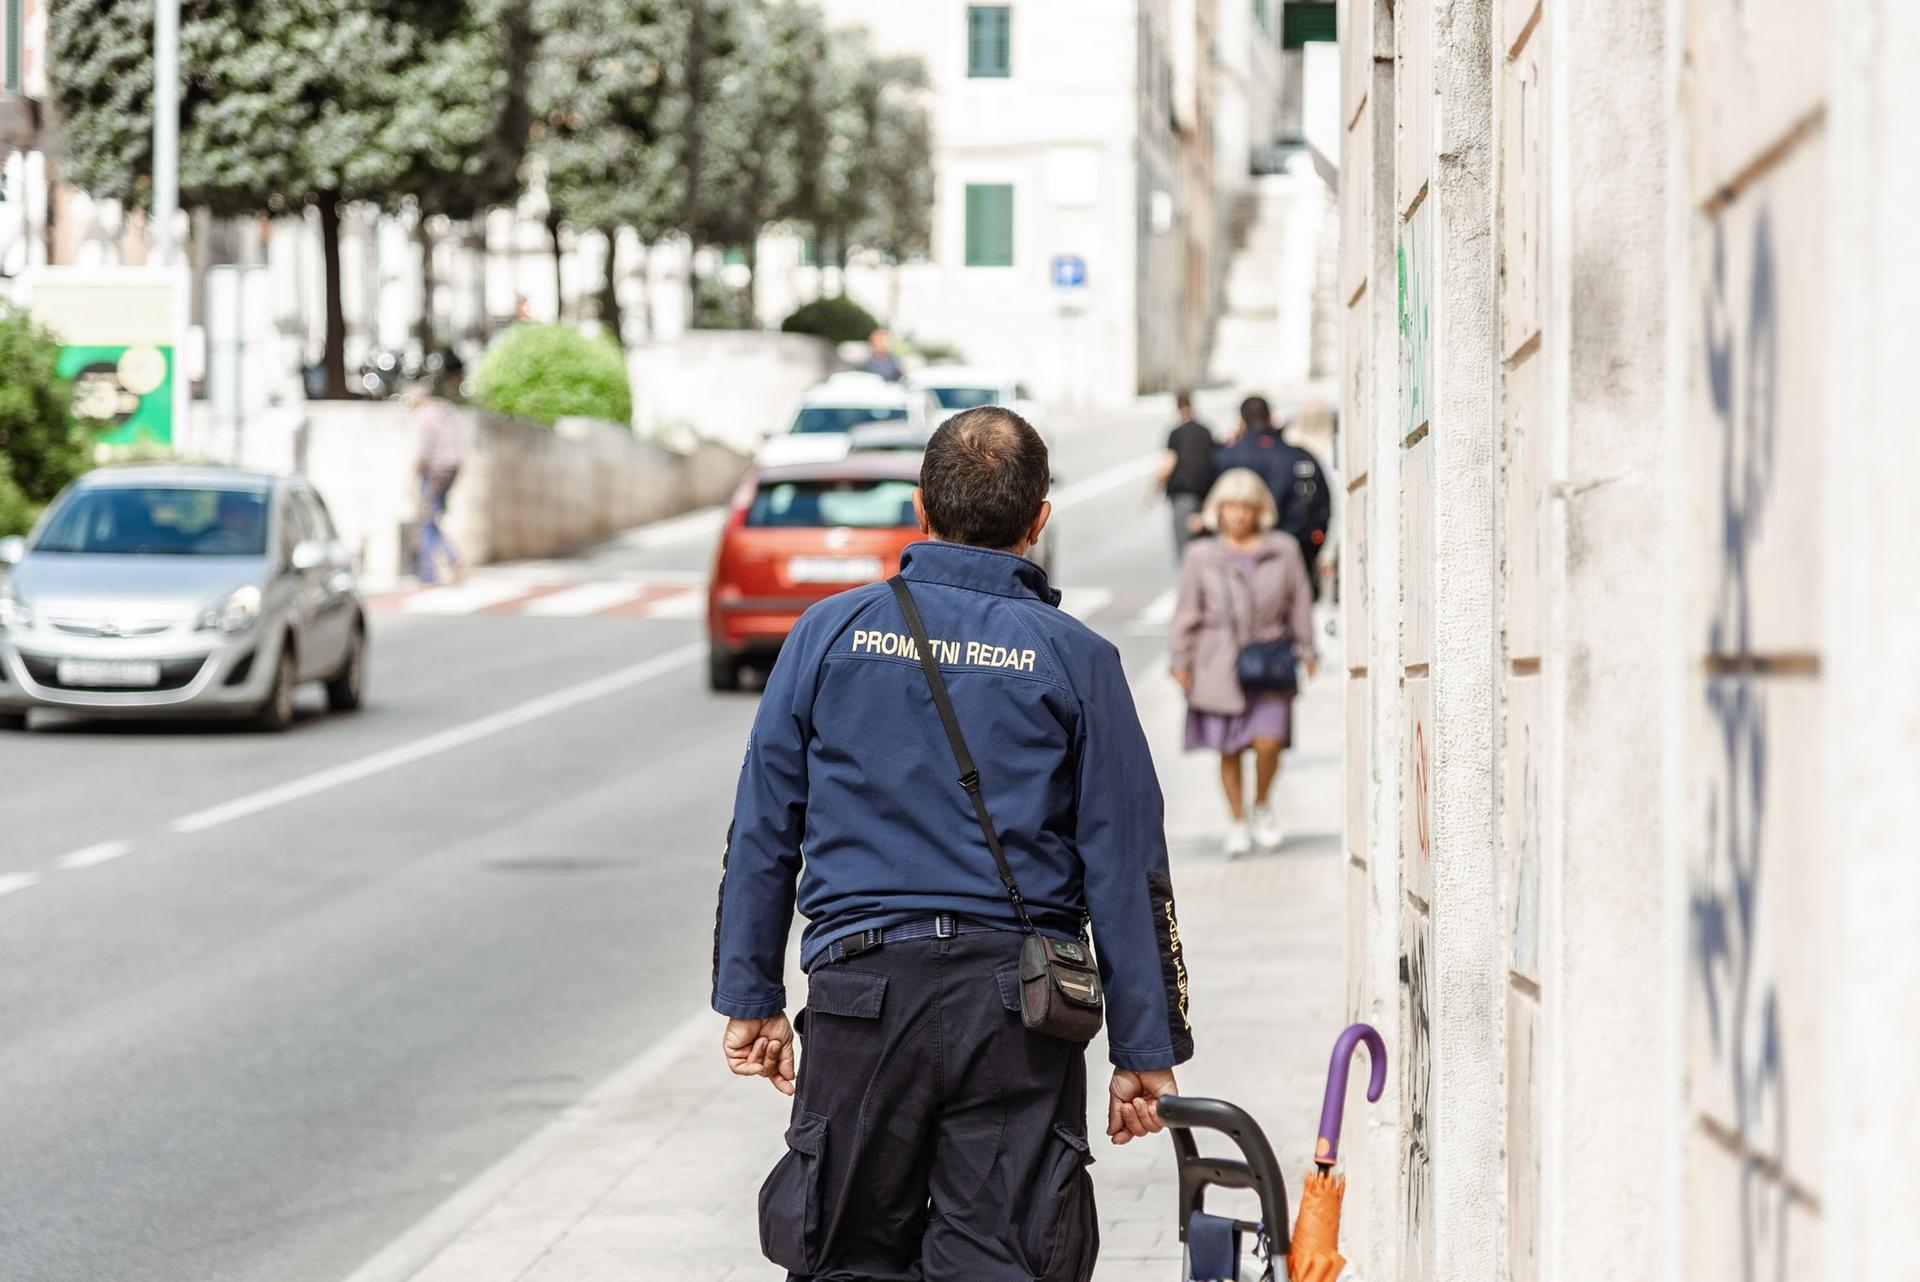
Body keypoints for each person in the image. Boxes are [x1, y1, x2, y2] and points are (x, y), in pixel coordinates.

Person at [713, 406, 1192, 1282]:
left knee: (847, 1257)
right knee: (1003, 1259)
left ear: (919, 507)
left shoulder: (825, 635)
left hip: (861, 1001)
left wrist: (751, 996)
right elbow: (1126, 863)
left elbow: (763, 830)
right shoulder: (1077, 659)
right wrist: (1145, 1048)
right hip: (1018, 1010)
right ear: (1039, 517)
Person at [1170, 468, 1318, 856]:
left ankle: (1262, 806)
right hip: (1217, 660)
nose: (1237, 515)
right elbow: (1187, 611)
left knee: (1270, 742)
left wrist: (1308, 649)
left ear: (1259, 510)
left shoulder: (1283, 549)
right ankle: (1236, 821)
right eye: (1230, 507)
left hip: (1270, 658)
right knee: (1229, 748)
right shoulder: (1201, 555)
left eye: (1245, 507)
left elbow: (1299, 601)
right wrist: (1180, 660)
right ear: (1218, 511)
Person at [1213, 395, 1332, 598]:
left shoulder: (1225, 457)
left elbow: (1210, 505)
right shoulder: (1300, 457)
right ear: (1270, 418)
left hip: (1238, 563)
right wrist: (1310, 548)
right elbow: (1322, 507)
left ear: (1241, 423)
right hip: (1295, 554)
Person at [410, 381, 463, 584]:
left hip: (434, 471)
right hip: (451, 469)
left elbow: (422, 453)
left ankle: (430, 572)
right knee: (431, 518)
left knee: (426, 520)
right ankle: (450, 559)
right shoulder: (445, 412)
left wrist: (411, 480)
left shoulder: (425, 416)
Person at [1155, 390, 1215, 560]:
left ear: (1177, 408)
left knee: (1185, 552)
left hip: (1183, 497)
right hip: (1205, 497)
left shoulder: (1176, 433)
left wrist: (1154, 490)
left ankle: (1189, 585)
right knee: (1205, 548)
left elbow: (1168, 464)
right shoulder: (1206, 431)